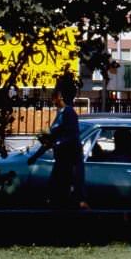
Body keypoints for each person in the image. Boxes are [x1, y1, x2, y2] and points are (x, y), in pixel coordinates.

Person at [28, 74, 87, 209]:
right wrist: (35, 156)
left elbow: (72, 137)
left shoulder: (69, 113)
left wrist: (56, 143)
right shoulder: (61, 113)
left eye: (54, 93)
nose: (51, 97)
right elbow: (50, 139)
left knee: (61, 200)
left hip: (68, 165)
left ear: (59, 95)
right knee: (56, 198)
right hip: (61, 164)